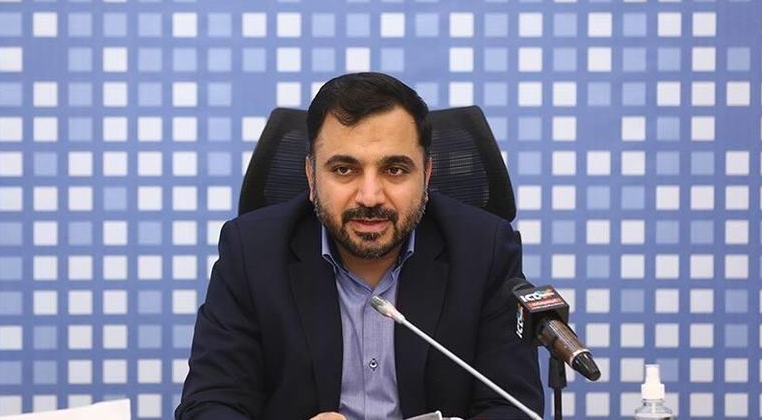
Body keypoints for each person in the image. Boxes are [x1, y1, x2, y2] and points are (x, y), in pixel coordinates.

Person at [174, 73, 544, 420]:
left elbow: (511, 407)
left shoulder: (484, 250)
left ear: (427, 175)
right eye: (344, 169)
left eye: (394, 169)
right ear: (311, 176)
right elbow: (209, 405)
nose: (370, 196)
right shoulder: (252, 252)